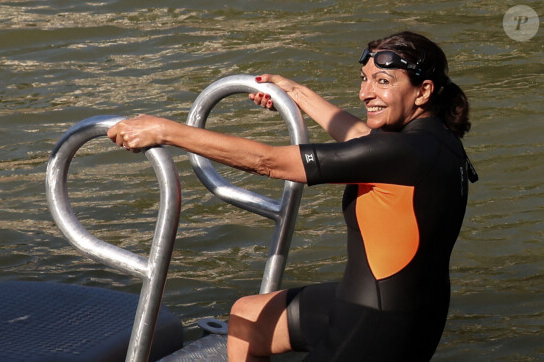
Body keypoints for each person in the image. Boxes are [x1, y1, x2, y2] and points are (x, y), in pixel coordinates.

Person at [108, 31, 477, 361]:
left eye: (382, 81)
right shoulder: (434, 142)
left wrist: (165, 131)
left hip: (375, 331)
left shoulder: (401, 154)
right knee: (248, 316)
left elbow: (269, 163)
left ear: (424, 90)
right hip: (388, 309)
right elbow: (362, 138)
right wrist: (296, 94)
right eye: (364, 80)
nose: (366, 93)